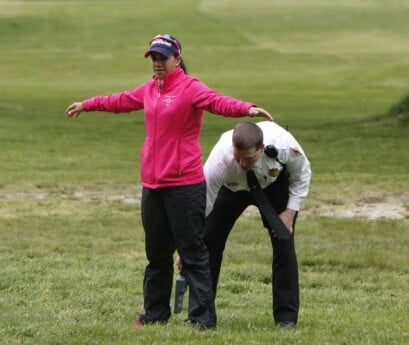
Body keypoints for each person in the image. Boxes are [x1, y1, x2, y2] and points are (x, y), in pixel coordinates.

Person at [65, 34, 273, 330]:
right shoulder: (150, 89)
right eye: (154, 58)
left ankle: (202, 319)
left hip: (184, 185)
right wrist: (88, 104)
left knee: (193, 254)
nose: (158, 63)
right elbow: (121, 101)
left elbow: (216, 102)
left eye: (163, 58)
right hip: (152, 185)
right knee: (157, 254)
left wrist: (247, 109)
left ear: (178, 59)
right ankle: (155, 314)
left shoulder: (191, 88)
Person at [202, 121, 311, 327]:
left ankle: (286, 319)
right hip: (232, 188)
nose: (242, 163)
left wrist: (289, 212)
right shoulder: (219, 160)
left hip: (273, 185)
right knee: (208, 242)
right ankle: (203, 315)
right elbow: (204, 201)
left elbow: (302, 174)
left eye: (249, 157)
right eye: (238, 157)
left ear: (261, 149)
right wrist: (192, 242)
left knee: (284, 243)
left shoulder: (284, 146)